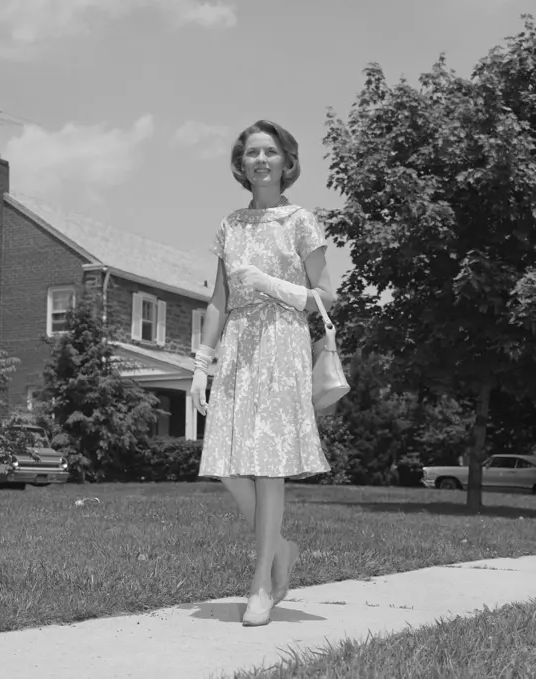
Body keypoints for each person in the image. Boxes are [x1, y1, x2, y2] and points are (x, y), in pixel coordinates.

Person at [191, 120, 334, 627]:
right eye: (252, 152)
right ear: (240, 164)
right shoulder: (230, 224)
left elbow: (326, 296)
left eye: (270, 152)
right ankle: (281, 551)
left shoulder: (300, 221)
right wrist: (200, 365)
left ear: (286, 162)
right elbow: (217, 301)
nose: (260, 159)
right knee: (230, 466)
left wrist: (270, 282)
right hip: (236, 348)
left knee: (269, 466)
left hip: (281, 342)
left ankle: (260, 587)